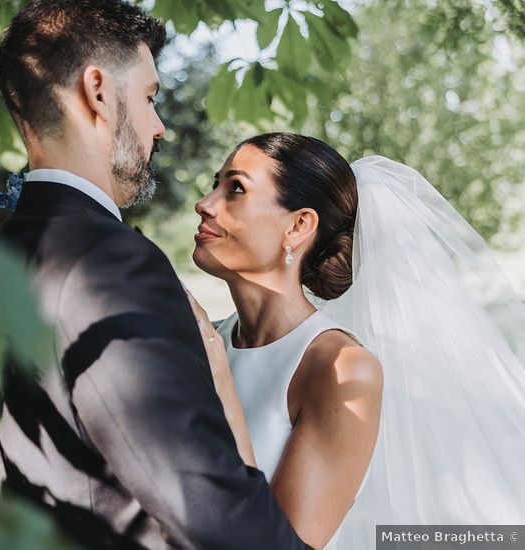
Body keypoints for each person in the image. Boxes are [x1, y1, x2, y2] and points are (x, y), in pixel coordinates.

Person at [0, 1, 311, 548]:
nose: (159, 128)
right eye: (150, 97)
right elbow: (211, 516)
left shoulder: (7, 248)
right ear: (98, 92)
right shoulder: (110, 263)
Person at [189, 132, 525, 549]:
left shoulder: (340, 369)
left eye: (235, 188)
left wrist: (218, 374)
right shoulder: (206, 338)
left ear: (298, 225)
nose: (205, 204)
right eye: (214, 184)